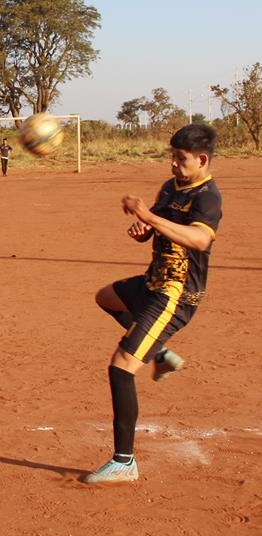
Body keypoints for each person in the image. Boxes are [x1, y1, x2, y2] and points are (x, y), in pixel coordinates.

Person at [84, 124, 222, 484]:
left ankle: (124, 461)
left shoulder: (207, 196)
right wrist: (145, 231)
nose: (174, 165)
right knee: (106, 297)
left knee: (121, 366)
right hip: (152, 282)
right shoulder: (169, 187)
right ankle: (160, 355)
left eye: (181, 159)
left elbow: (199, 240)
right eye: (173, 157)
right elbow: (162, 226)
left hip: (176, 295)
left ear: (202, 159)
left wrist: (148, 217)